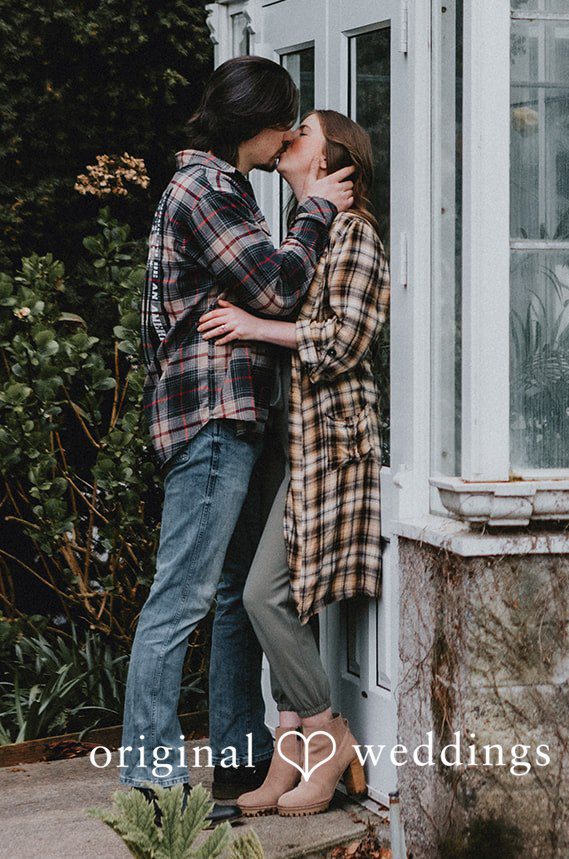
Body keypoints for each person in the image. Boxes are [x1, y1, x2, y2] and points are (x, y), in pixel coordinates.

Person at [123, 57, 354, 822]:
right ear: (254, 125)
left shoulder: (211, 187)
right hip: (213, 419)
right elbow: (278, 286)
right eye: (283, 123)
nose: (288, 136)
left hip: (228, 418)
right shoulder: (208, 191)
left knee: (228, 594)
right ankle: (152, 783)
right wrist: (314, 210)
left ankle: (238, 756)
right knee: (180, 598)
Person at [198, 110, 389, 817]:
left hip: (329, 448)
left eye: (301, 130)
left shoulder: (357, 235)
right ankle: (293, 744)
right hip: (285, 445)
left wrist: (254, 325)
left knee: (264, 595)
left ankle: (328, 732)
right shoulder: (304, 233)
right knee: (287, 597)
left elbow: (343, 342)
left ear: (330, 156)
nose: (286, 138)